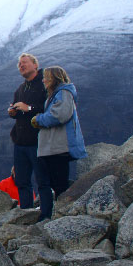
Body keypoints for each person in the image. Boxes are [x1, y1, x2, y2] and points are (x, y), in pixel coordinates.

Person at [31, 66, 87, 220]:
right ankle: (58, 214)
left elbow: (60, 115)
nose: (43, 80)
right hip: (52, 148)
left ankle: (66, 216)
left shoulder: (63, 93)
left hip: (57, 148)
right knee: (53, 182)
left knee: (59, 184)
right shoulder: (56, 95)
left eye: (46, 77)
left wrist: (38, 119)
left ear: (54, 78)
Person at [8, 53, 48, 209]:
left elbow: (49, 109)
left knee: (42, 180)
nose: (21, 65)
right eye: (19, 64)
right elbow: (20, 112)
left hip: (38, 140)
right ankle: (26, 213)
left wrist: (28, 108)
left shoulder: (44, 85)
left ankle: (46, 214)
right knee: (22, 181)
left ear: (35, 65)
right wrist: (14, 112)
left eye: (24, 62)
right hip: (20, 142)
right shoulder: (21, 89)